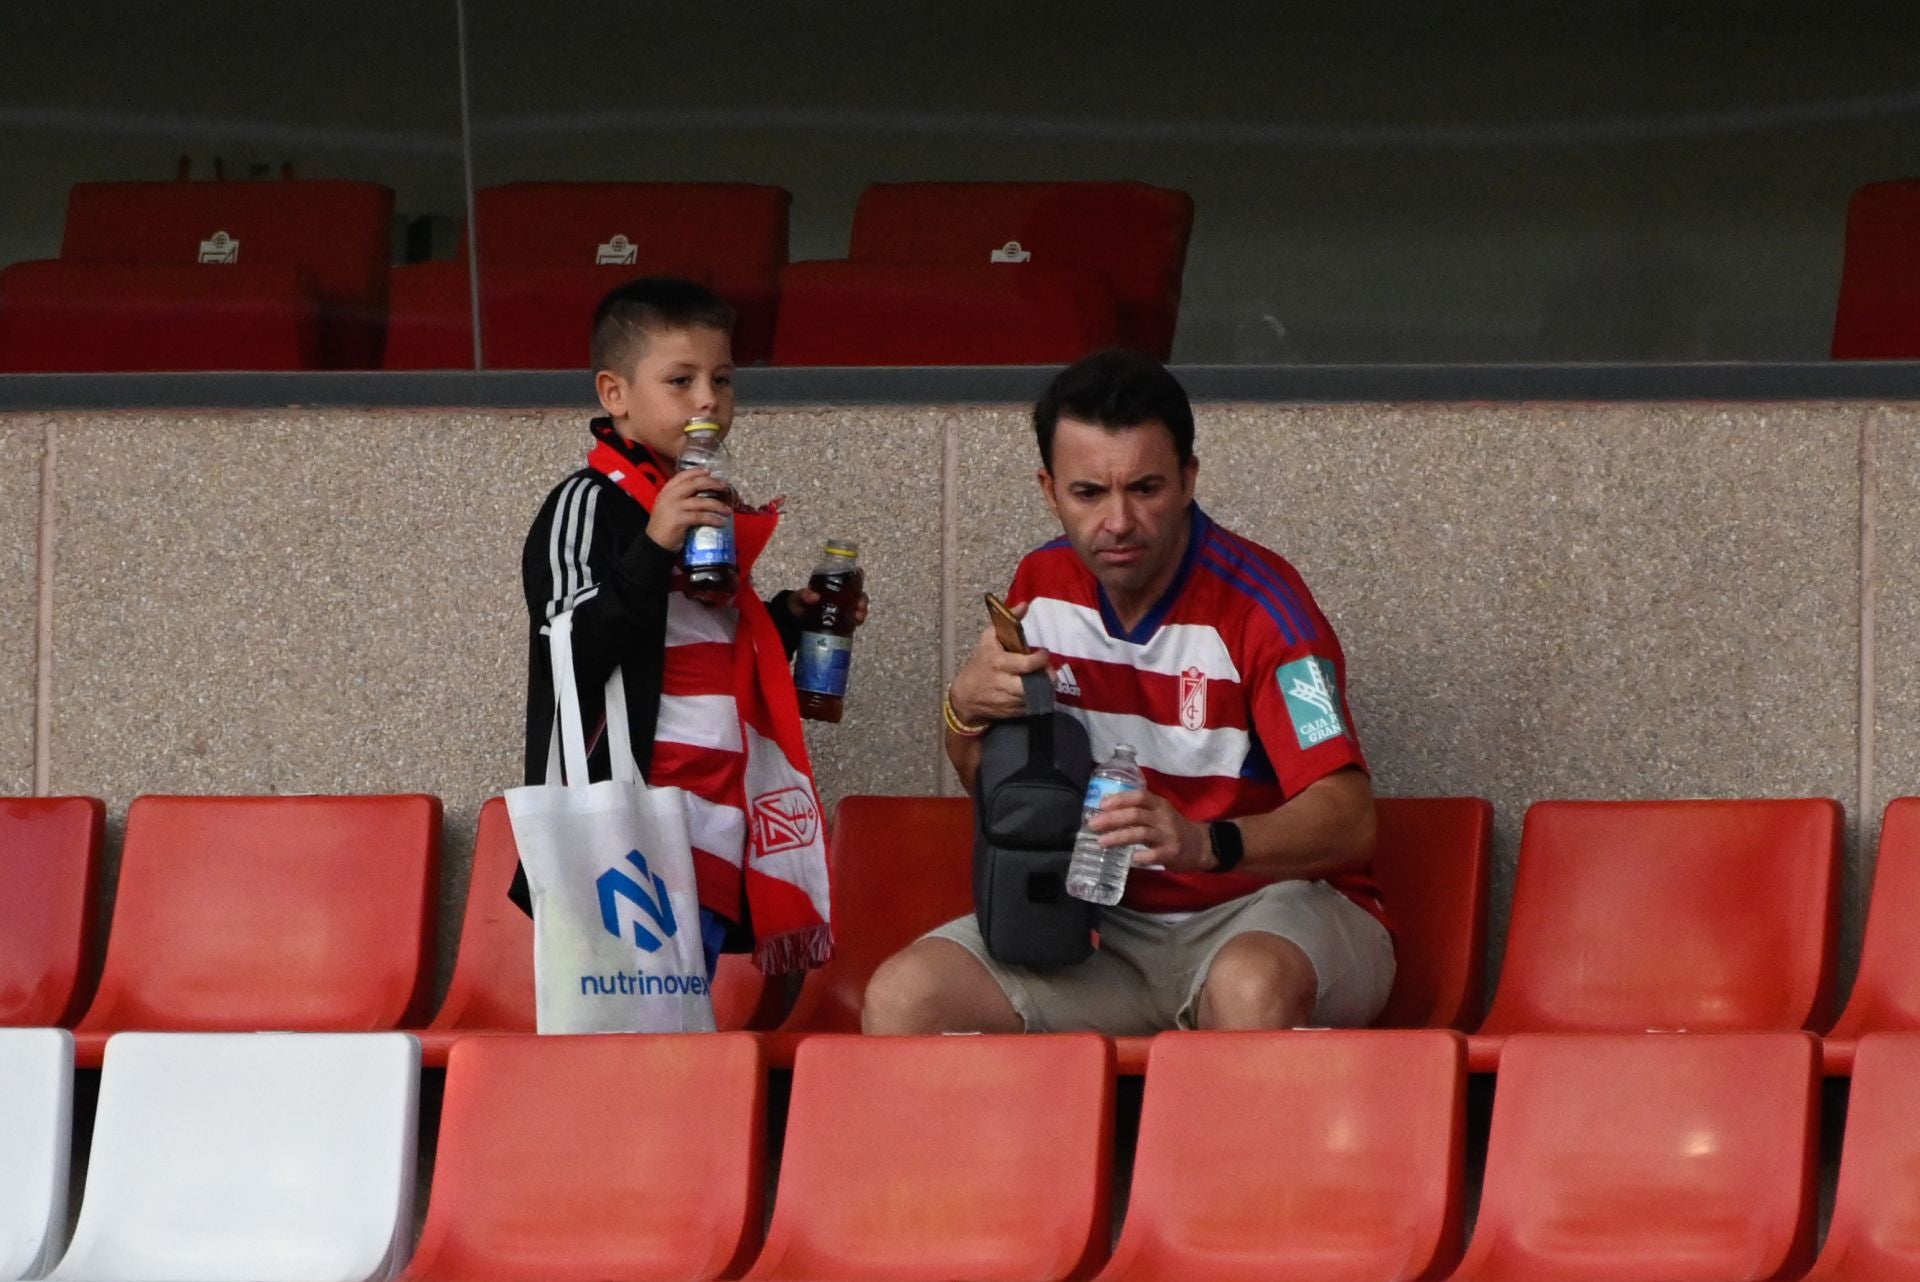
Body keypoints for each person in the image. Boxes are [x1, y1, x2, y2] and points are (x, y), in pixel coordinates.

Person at [864, 349, 1391, 1035]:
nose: (1118, 521)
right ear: (1049, 489)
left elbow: (1350, 819)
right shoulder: (1040, 590)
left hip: (1268, 915)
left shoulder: (1268, 609)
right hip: (1099, 929)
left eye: (1145, 488)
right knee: (904, 998)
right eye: (1089, 493)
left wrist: (1205, 842)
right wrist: (964, 714)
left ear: (1188, 480)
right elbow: (1005, 795)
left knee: (1249, 985)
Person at [513, 277, 858, 978]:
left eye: (723, 380)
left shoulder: (707, 504)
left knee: (679, 1019)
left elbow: (695, 646)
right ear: (616, 395)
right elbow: (569, 649)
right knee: (632, 1030)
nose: (708, 400)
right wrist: (654, 542)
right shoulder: (589, 502)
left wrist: (791, 618)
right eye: (681, 380)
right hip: (626, 821)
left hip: (715, 810)